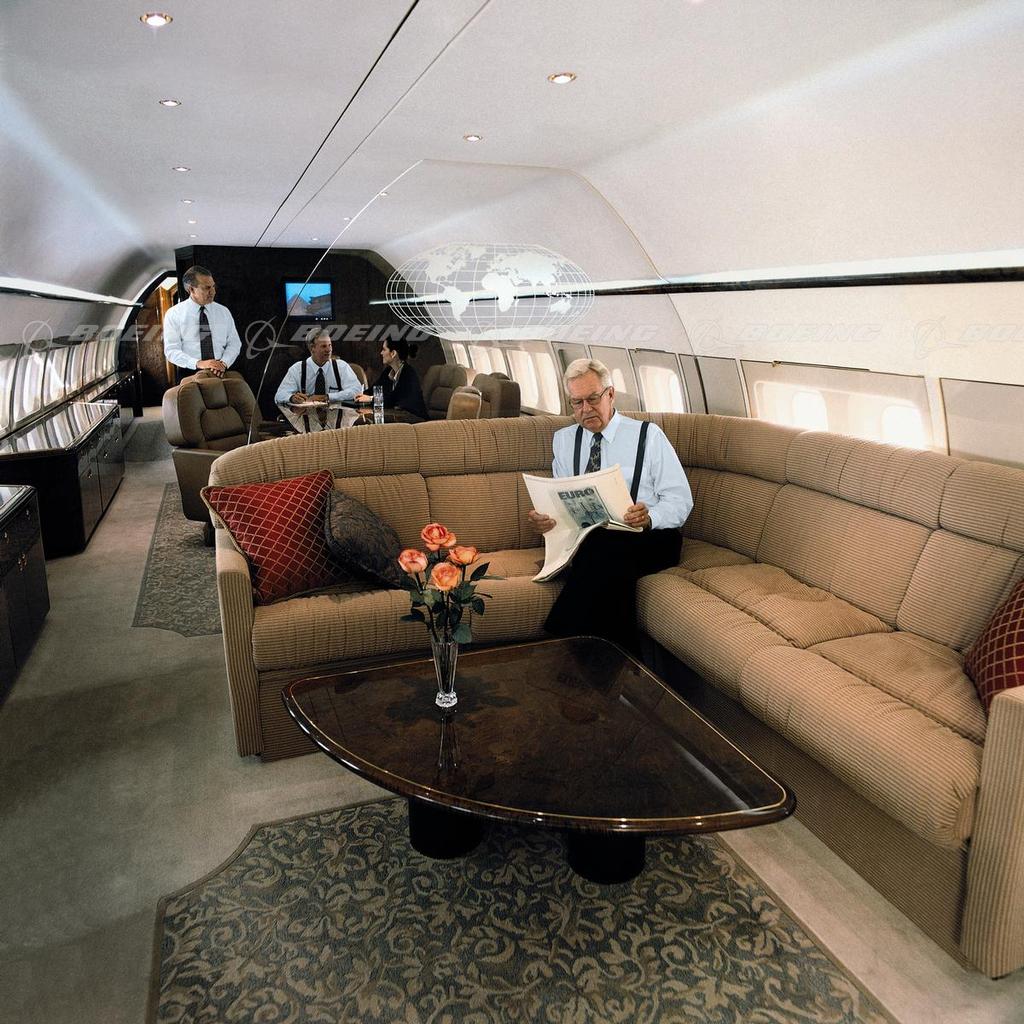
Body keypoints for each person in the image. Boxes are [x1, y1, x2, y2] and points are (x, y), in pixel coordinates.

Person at [527, 358, 693, 653]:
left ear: (611, 394)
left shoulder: (648, 435)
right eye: (576, 402)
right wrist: (547, 519)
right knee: (602, 551)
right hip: (594, 541)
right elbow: (563, 501)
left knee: (599, 553)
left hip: (652, 538)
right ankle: (618, 658)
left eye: (593, 399)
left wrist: (650, 517)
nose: (585, 409)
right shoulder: (564, 441)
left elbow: (681, 500)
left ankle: (562, 640)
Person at [162, 265, 241, 382]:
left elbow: (234, 343)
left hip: (222, 371)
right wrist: (199, 363)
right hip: (191, 373)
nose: (213, 292)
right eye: (207, 288)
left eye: (213, 286)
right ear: (191, 289)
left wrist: (223, 363)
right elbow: (171, 351)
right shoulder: (174, 314)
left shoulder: (223, 311)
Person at [274, 329, 363, 405]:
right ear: (312, 348)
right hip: (306, 416)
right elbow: (279, 395)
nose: (329, 350)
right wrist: (291, 398)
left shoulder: (342, 366)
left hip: (337, 417)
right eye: (324, 346)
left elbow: (356, 390)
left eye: (330, 345)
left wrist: (327, 397)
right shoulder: (297, 369)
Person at [355, 337, 428, 421]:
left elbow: (396, 401)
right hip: (396, 417)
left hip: (415, 420)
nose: (381, 353)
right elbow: (374, 389)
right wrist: (360, 395)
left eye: (384, 349)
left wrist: (370, 399)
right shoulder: (388, 371)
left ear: (393, 353)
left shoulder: (409, 374)